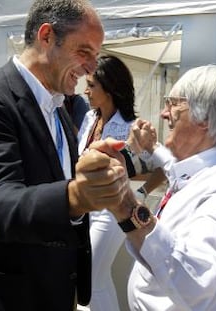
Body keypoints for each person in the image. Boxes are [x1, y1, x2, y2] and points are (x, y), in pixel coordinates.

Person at [0, 1, 126, 310]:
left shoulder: (57, 107)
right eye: (84, 52)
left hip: (50, 290)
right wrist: (76, 195)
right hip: (3, 295)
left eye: (96, 56)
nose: (91, 68)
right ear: (46, 37)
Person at [79, 65, 216, 310]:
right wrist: (151, 148)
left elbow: (197, 285)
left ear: (205, 118)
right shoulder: (210, 170)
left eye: (174, 104)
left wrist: (124, 202)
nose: (164, 113)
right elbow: (174, 169)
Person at [77, 55, 137, 311]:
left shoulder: (130, 127)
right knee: (99, 279)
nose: (85, 90)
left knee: (91, 278)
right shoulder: (90, 119)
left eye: (91, 85)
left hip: (110, 213)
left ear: (110, 88)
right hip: (85, 208)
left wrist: (141, 187)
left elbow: (149, 168)